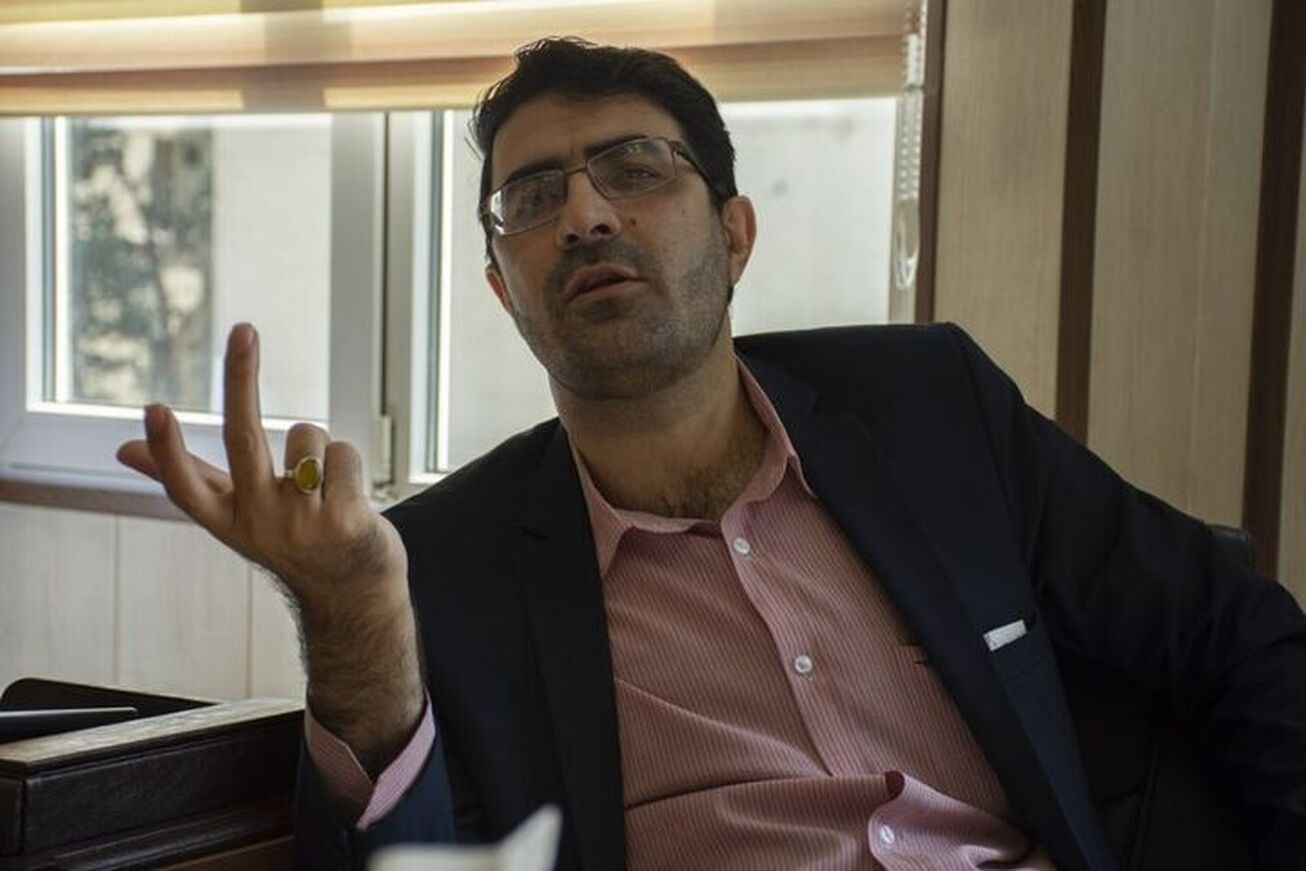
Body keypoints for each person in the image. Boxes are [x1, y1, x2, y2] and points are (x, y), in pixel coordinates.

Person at [115, 38, 1306, 871]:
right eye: (532, 198)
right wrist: (352, 619)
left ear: (734, 235)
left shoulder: (929, 411)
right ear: (503, 288)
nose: (585, 215)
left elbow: (1237, 636)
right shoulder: (442, 564)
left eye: (635, 169)